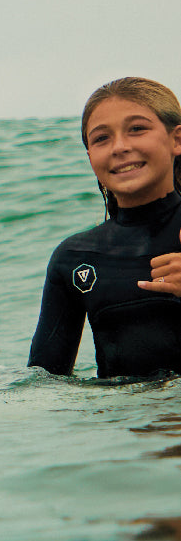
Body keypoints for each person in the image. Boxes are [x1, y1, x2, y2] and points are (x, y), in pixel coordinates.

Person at [28, 77, 181, 378]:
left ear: (176, 139)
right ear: (90, 157)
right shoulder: (74, 257)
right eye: (101, 138)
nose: (120, 147)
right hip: (121, 408)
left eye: (137, 129)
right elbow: (43, 383)